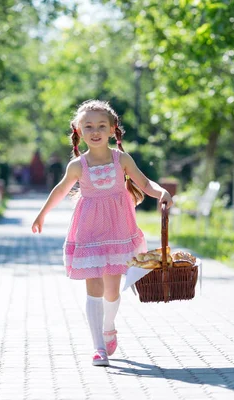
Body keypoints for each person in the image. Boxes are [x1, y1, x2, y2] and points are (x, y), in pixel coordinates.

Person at [31, 100, 173, 367]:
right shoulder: (78, 165)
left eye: (101, 126)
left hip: (118, 230)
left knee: (112, 291)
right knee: (94, 287)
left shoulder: (122, 159)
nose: (95, 130)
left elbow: (143, 183)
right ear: (78, 130)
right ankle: (99, 347)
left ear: (111, 130)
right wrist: (42, 214)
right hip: (89, 232)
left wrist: (161, 192)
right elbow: (61, 190)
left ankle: (109, 326)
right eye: (88, 126)